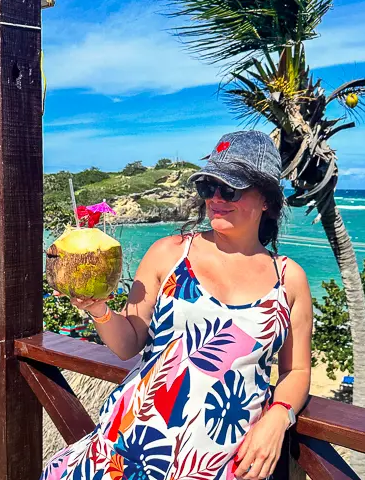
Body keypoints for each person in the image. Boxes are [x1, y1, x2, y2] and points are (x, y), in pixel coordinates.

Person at [41, 130, 313, 480]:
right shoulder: (168, 253)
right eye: (207, 187)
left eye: (230, 189)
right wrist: (98, 309)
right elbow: (128, 344)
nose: (216, 198)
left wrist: (279, 417)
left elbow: (298, 371)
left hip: (216, 463)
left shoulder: (289, 279)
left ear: (268, 201)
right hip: (129, 447)